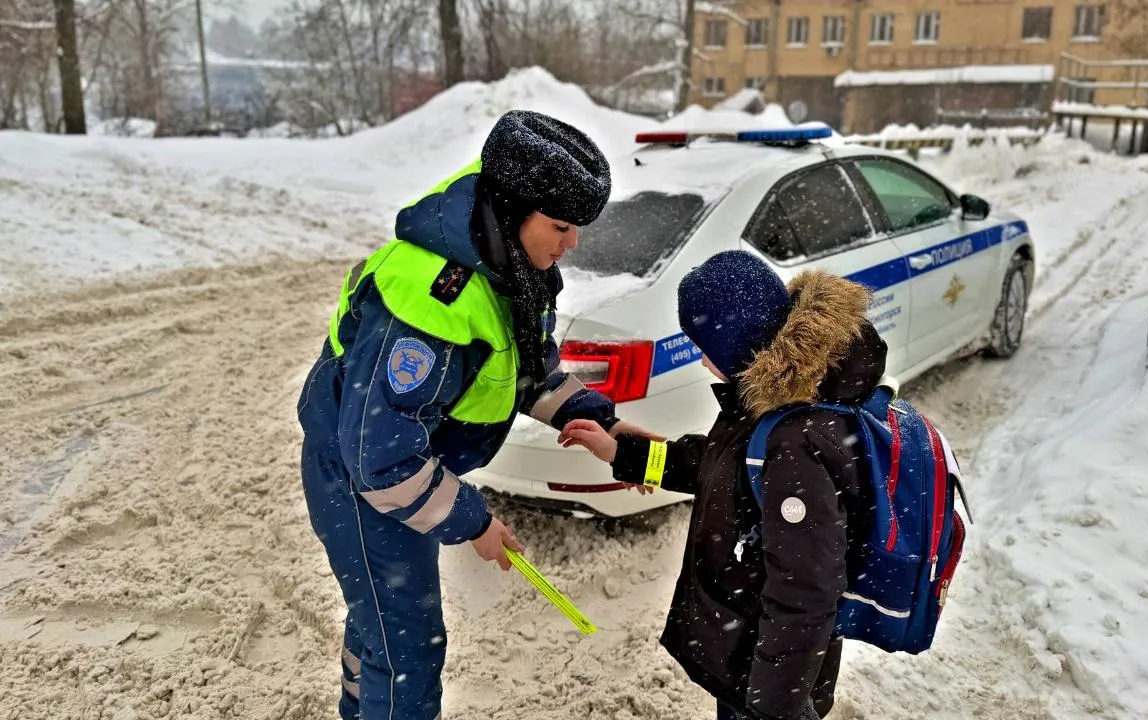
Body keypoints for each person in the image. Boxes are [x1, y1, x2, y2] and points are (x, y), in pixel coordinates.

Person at [297, 110, 651, 720]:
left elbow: (523, 367)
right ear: (513, 211)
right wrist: (472, 522)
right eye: (561, 226)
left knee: (381, 623)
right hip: (360, 478)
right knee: (406, 648)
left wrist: (603, 422)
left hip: (402, 462)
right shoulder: (430, 302)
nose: (572, 244)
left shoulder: (507, 261)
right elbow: (379, 457)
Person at [561, 250, 889, 720]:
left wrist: (773, 706)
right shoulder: (774, 403)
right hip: (751, 650)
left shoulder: (793, 438)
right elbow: (720, 467)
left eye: (705, 348)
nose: (701, 359)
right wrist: (627, 455)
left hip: (770, 673)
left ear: (737, 346)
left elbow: (806, 592)